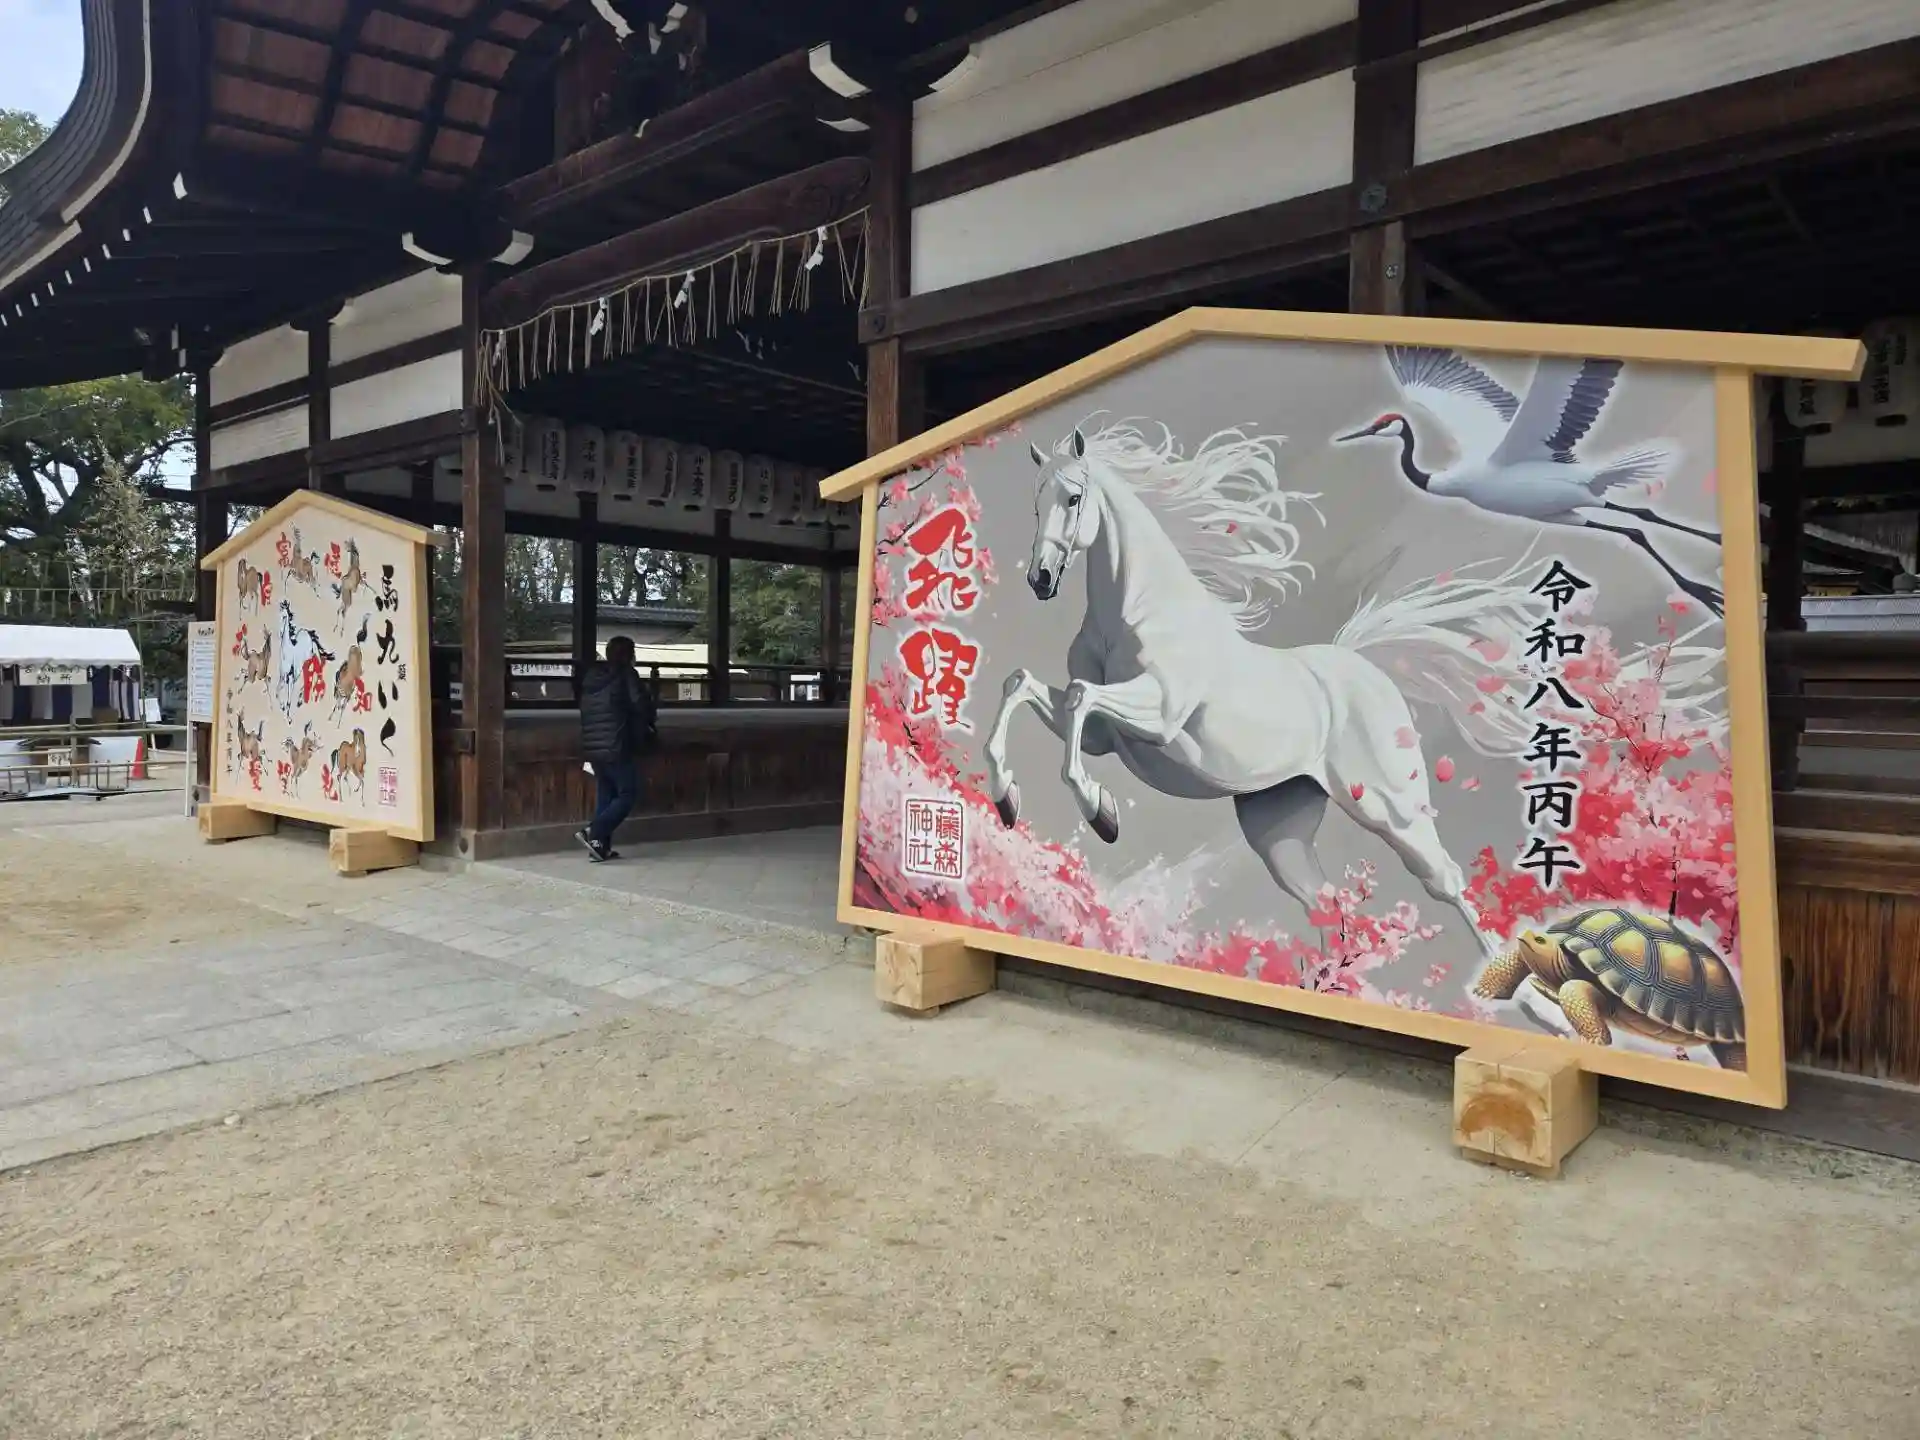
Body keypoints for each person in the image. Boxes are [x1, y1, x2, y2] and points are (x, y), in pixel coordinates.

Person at [576, 635, 657, 861]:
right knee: (627, 794)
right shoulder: (626, 674)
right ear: (628, 654)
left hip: (593, 746)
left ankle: (599, 847)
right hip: (617, 744)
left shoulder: (592, 677)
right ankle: (594, 831)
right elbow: (641, 705)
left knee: (607, 795)